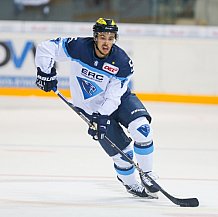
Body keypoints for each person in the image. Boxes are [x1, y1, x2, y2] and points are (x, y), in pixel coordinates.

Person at [35, 18, 159, 198]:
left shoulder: (122, 61)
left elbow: (114, 96)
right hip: (89, 107)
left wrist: (102, 117)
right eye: (102, 37)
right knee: (122, 154)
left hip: (118, 100)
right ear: (95, 37)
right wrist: (45, 72)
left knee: (142, 129)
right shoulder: (79, 47)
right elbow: (46, 48)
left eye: (110, 38)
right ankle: (131, 183)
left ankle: (147, 175)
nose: (106, 42)